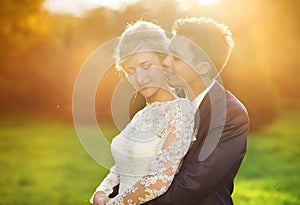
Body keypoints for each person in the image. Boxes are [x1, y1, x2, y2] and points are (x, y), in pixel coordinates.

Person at [143, 17, 250, 205]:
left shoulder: (230, 114)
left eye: (176, 58)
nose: (166, 62)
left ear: (202, 67)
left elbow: (191, 185)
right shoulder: (168, 106)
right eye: (167, 54)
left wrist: (127, 202)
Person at [90, 20, 196, 205]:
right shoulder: (141, 115)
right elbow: (121, 166)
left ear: (164, 62)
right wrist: (101, 192)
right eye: (130, 71)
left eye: (146, 66)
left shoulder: (180, 110)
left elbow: (159, 181)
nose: (139, 78)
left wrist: (113, 204)